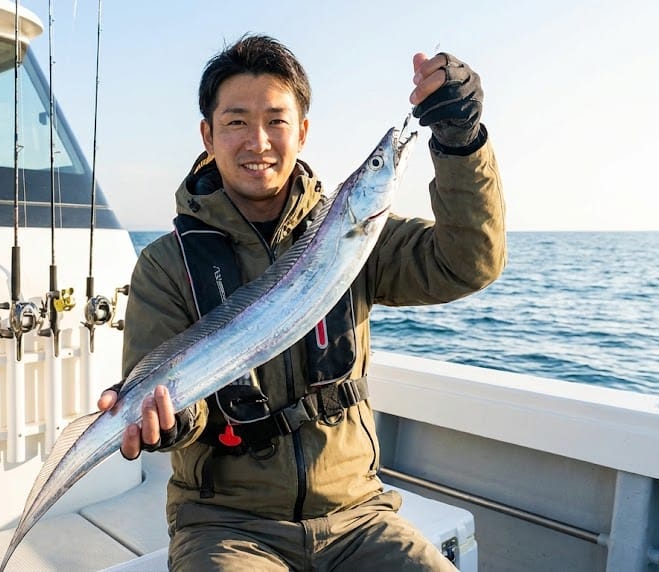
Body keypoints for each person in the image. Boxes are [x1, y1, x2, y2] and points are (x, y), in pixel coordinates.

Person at [98, 35, 505, 571]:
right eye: (237, 121)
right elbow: (175, 403)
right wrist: (169, 421)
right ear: (208, 134)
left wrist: (460, 141)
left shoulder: (353, 233)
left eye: (276, 120)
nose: (258, 142)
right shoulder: (166, 264)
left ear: (303, 131)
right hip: (227, 526)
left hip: (358, 514)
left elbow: (468, 262)